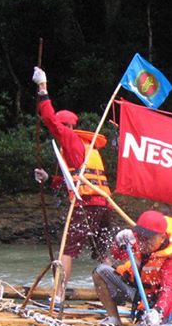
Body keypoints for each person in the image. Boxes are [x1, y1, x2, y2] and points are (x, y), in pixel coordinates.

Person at [32, 66, 114, 304]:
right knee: (103, 253)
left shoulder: (70, 138)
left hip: (86, 204)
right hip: (104, 205)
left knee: (67, 251)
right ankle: (112, 292)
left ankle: (58, 295)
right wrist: (50, 179)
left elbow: (48, 119)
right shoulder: (87, 148)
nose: (57, 132)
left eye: (60, 127)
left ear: (66, 127)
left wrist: (42, 88)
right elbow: (75, 179)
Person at [92, 211, 172, 326]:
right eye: (141, 237)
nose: (142, 242)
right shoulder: (138, 238)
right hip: (137, 291)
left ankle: (155, 317)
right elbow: (118, 255)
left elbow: (170, 289)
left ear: (162, 237)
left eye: (148, 238)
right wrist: (118, 242)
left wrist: (158, 311)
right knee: (100, 271)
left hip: (159, 301)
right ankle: (114, 319)